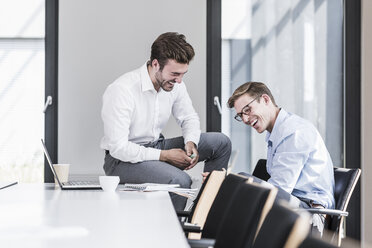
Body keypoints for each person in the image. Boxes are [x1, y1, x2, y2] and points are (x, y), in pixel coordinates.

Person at [100, 32, 231, 211]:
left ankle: (205, 213)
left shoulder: (175, 85)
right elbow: (118, 147)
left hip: (156, 146)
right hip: (121, 161)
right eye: (175, 74)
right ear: (156, 64)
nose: (179, 80)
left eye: (183, 74)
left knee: (220, 142)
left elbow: (189, 117)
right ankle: (177, 231)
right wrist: (165, 156)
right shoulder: (122, 90)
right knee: (180, 180)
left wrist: (190, 142)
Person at [227, 82, 335, 234]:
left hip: (309, 216)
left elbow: (279, 189)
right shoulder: (277, 133)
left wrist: (228, 183)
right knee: (238, 192)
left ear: (265, 99)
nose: (245, 119)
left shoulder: (294, 132)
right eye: (240, 115)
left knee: (242, 182)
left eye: (247, 110)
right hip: (293, 208)